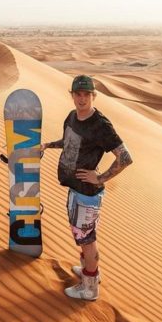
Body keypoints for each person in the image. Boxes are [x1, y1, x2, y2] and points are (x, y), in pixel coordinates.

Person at [41, 75, 133, 300]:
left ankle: (90, 287)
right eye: (77, 94)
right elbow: (68, 142)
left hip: (87, 194)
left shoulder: (100, 125)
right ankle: (89, 271)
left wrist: (100, 178)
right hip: (75, 189)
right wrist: (46, 145)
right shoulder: (72, 116)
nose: (81, 99)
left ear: (93, 96)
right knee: (82, 237)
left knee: (87, 240)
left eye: (86, 95)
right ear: (72, 95)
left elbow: (125, 157)